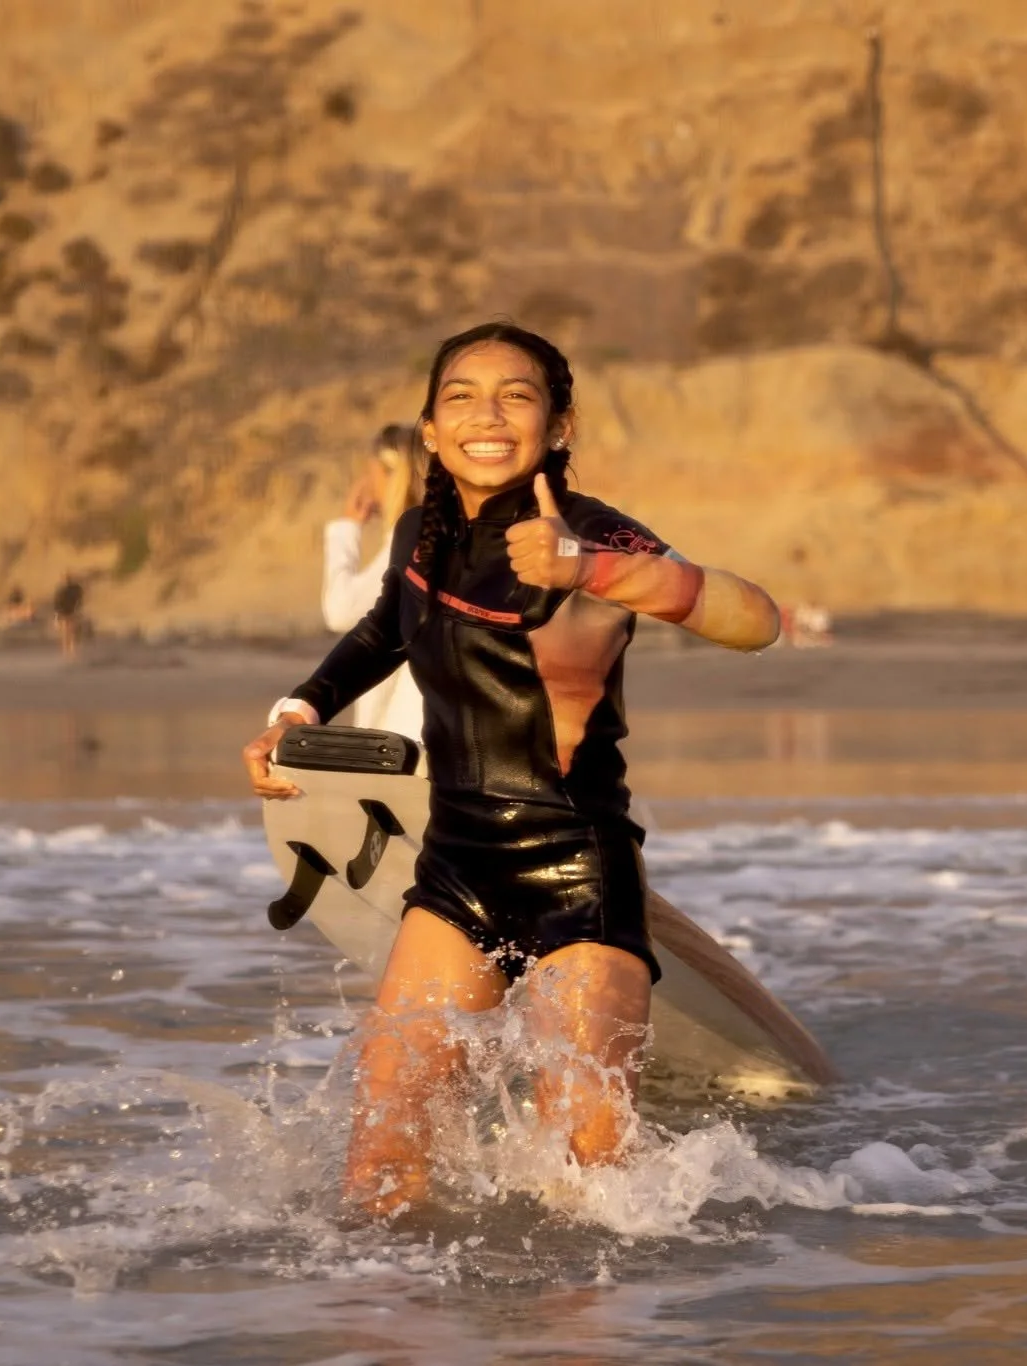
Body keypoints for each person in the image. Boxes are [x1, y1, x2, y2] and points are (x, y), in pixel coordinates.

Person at [241, 322, 783, 1218]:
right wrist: (297, 713)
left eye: (516, 396)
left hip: (576, 872)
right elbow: (383, 628)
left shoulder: (594, 532)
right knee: (379, 1175)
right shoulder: (421, 533)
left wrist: (590, 570)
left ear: (558, 426)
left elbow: (756, 620)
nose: (486, 416)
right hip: (454, 868)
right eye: (460, 397)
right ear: (429, 429)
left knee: (594, 1185)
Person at [322, 423, 427, 738]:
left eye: (373, 473)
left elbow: (340, 610)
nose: (367, 484)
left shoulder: (411, 542)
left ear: (394, 475)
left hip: (402, 734)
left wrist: (346, 529)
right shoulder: (422, 536)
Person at [52, 574, 85, 661]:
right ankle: (69, 652)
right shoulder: (70, 590)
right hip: (66, 612)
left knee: (69, 632)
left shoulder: (68, 590)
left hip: (68, 612)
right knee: (68, 632)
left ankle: (70, 652)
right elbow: (57, 604)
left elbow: (57, 603)